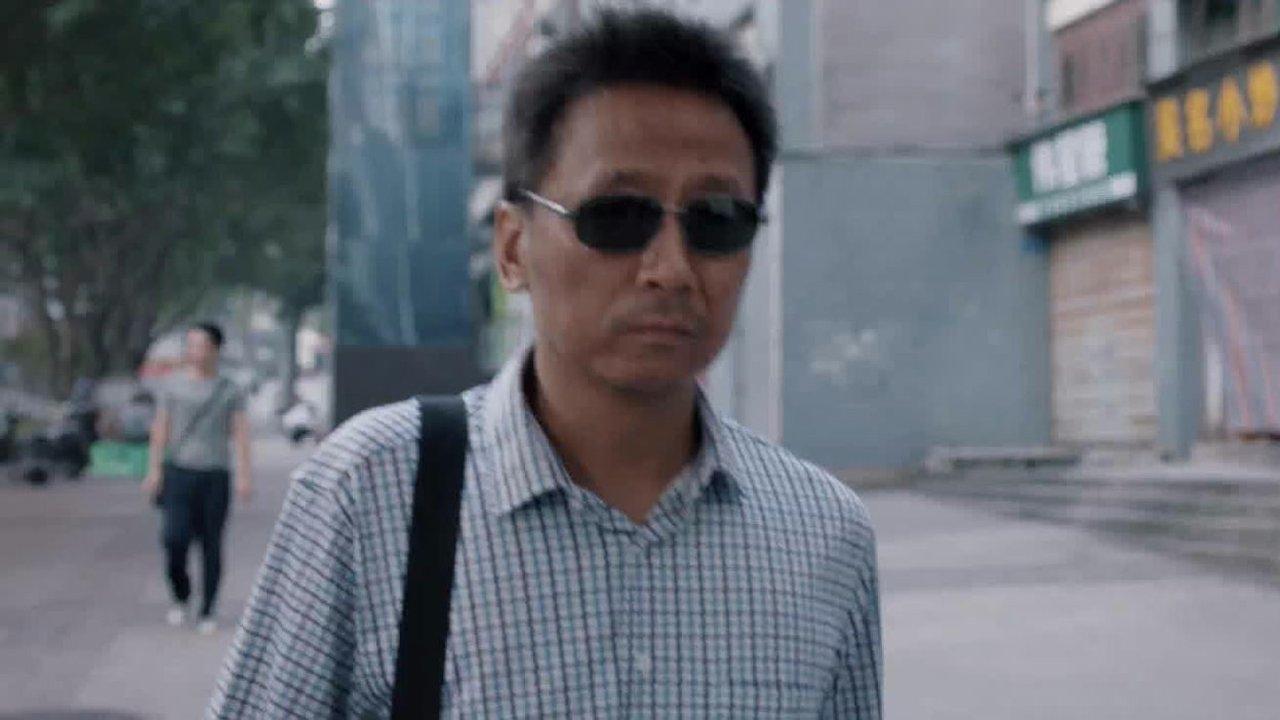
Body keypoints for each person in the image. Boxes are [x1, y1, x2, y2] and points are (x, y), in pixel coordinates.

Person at [211, 9, 880, 718]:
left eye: (716, 220)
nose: (671, 270)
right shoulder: (372, 493)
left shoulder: (822, 532)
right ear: (512, 248)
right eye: (616, 216)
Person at [142, 322, 253, 635]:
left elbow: (240, 432)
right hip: (179, 471)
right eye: (190, 345)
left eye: (202, 345)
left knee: (211, 543)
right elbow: (161, 428)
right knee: (173, 538)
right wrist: (154, 469)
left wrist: (244, 475)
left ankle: (208, 608)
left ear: (216, 349)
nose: (195, 352)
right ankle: (181, 594)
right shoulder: (172, 387)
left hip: (215, 474)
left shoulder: (229, 389)